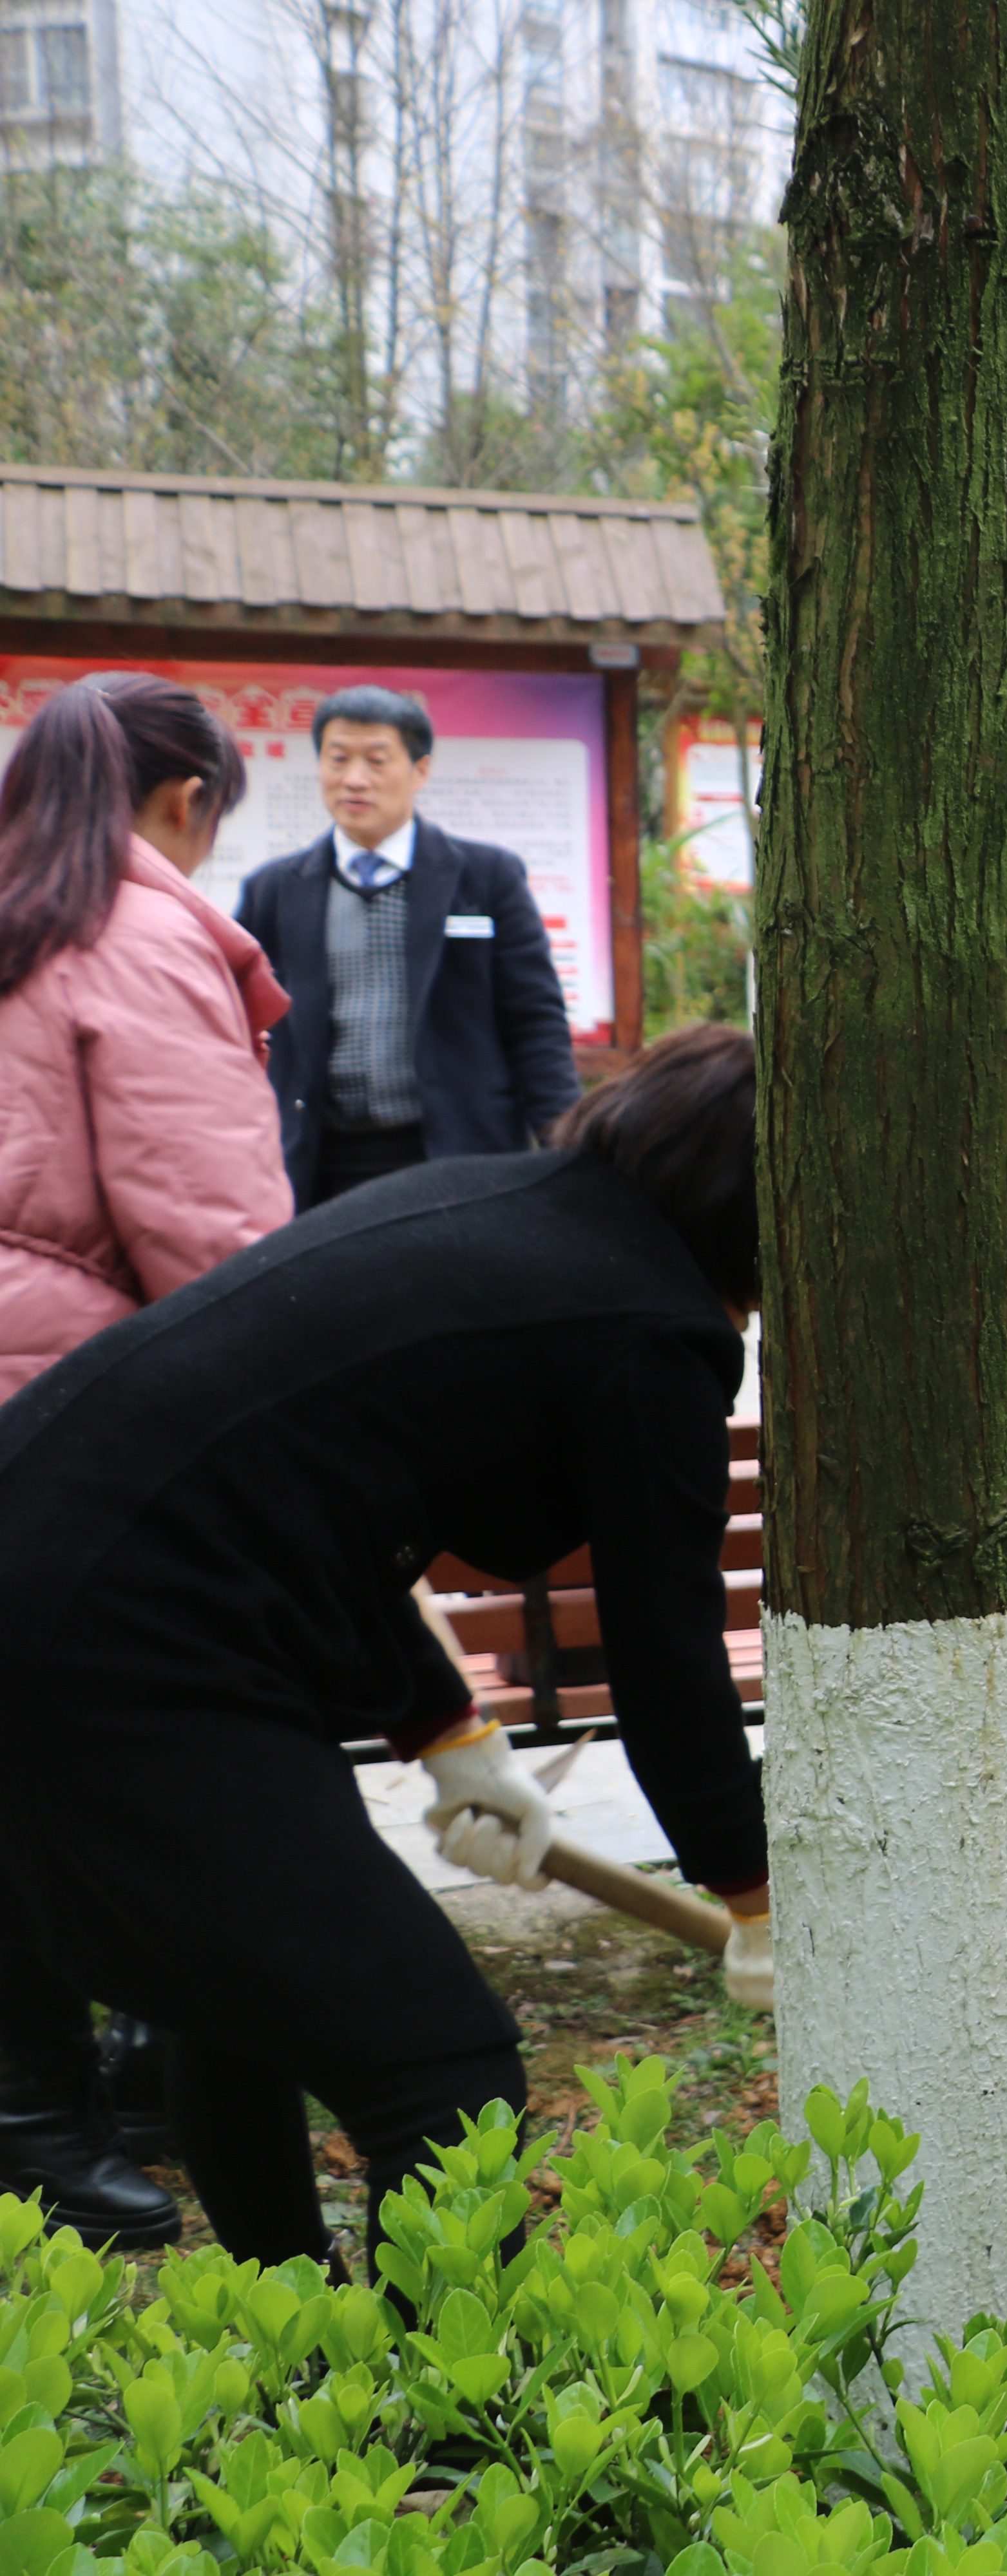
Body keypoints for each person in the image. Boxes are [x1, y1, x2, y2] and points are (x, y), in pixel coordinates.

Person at [0, 1026, 774, 2271]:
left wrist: (447, 1733)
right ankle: (464, 2425)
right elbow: (670, 1654)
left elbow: (310, 1503)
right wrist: (755, 1891)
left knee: (240, 2005)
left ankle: (305, 2357)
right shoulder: (650, 1326)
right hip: (129, 1643)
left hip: (68, 1580)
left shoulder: (493, 1204)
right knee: (443, 2065)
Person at [0, 673, 296, 2251]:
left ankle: (80, 2090)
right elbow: (217, 1237)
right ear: (187, 801)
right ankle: (54, 2122)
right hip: (74, 1419)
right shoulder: (139, 930)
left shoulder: (19, 915)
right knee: (115, 1766)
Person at [236, 684, 581, 1206]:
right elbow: (240, 1024)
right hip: (319, 1164)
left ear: (420, 771)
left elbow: (534, 1019)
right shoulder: (274, 890)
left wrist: (569, 1147)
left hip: (460, 1154)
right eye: (338, 759)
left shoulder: (486, 878)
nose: (355, 779)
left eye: (377, 761)